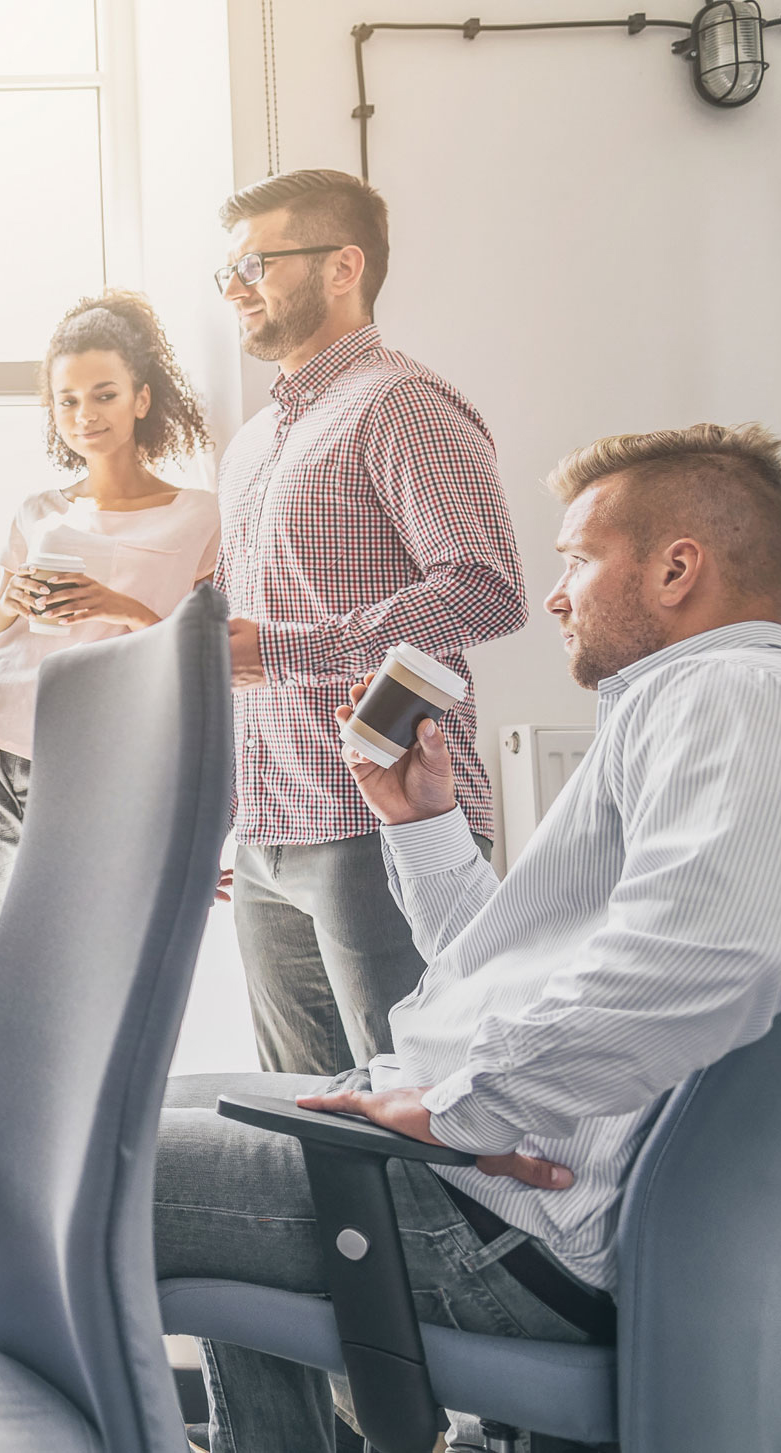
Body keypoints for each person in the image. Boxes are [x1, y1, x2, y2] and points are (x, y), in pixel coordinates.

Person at [158, 425, 781, 1453]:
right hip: (494, 1180)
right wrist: (422, 822)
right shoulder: (698, 707)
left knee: (89, 1166)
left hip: (500, 1223)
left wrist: (458, 1111)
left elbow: (719, 953)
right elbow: (499, 974)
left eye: (578, 556)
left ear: (676, 567)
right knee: (164, 1104)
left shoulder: (731, 698)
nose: (554, 594)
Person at [210, 169, 529, 1076]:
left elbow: (485, 588)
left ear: (343, 265)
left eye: (254, 264)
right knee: (304, 1122)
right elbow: (238, 650)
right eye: (226, 271)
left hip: (381, 825)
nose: (235, 288)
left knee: (421, 1109)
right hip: (268, 841)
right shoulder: (250, 447)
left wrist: (287, 650)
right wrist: (228, 817)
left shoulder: (403, 405)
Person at [0, 292, 216, 1016]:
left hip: (93, 752)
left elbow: (204, 656)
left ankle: (71, 1130)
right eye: (67, 401)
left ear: (142, 398)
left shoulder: (200, 515)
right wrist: (22, 596)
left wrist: (113, 604)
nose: (85, 414)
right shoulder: (39, 508)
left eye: (103, 395)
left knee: (87, 967)